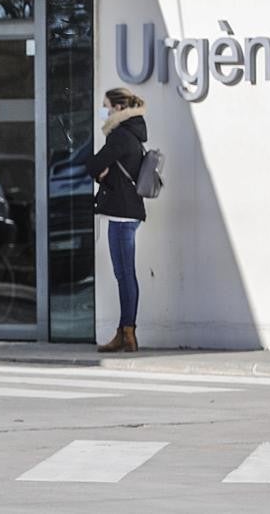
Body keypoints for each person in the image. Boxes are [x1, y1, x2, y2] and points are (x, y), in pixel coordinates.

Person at [85, 87, 148, 353]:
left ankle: (127, 332)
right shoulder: (132, 133)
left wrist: (100, 173)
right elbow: (104, 170)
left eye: (106, 106)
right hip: (128, 211)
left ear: (119, 109)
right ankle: (126, 331)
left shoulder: (120, 136)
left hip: (122, 214)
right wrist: (103, 174)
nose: (103, 111)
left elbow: (92, 165)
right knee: (125, 274)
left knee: (124, 274)